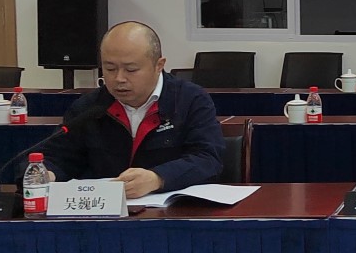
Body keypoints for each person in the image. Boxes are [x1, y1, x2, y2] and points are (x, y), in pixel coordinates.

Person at [40, 21, 224, 198]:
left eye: (131, 70)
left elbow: (208, 159)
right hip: (104, 209)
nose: (119, 78)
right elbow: (59, 157)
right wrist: (48, 173)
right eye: (110, 69)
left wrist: (157, 178)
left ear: (159, 65)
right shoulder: (89, 107)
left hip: (169, 210)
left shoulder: (190, 100)